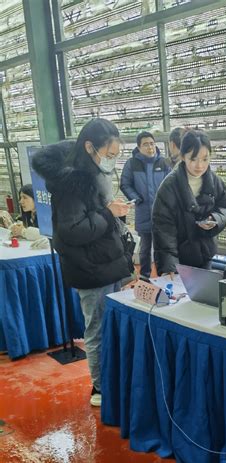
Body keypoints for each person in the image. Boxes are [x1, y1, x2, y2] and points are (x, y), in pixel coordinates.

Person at [32, 118, 134, 407]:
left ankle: (111, 380)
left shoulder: (92, 174)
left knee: (108, 325)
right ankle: (100, 387)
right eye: (109, 155)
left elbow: (96, 217)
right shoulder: (73, 183)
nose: (112, 161)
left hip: (105, 262)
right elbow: (72, 231)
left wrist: (113, 214)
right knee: (98, 329)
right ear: (90, 148)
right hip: (90, 269)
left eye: (116, 156)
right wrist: (107, 213)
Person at [152, 129, 226, 275]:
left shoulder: (215, 181)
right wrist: (169, 266)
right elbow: (163, 229)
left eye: (205, 159)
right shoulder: (169, 186)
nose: (199, 165)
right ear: (182, 157)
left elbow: (224, 208)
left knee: (203, 296)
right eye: (193, 159)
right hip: (178, 260)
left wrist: (215, 219)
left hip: (205, 255)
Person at [120, 131, 170, 278]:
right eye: (146, 144)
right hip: (143, 212)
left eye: (152, 143)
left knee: (162, 247)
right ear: (139, 147)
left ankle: (163, 275)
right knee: (145, 247)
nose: (150, 147)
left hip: (162, 214)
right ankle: (145, 275)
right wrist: (136, 198)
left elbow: (170, 186)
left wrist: (166, 203)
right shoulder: (132, 163)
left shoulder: (163, 163)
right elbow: (125, 184)